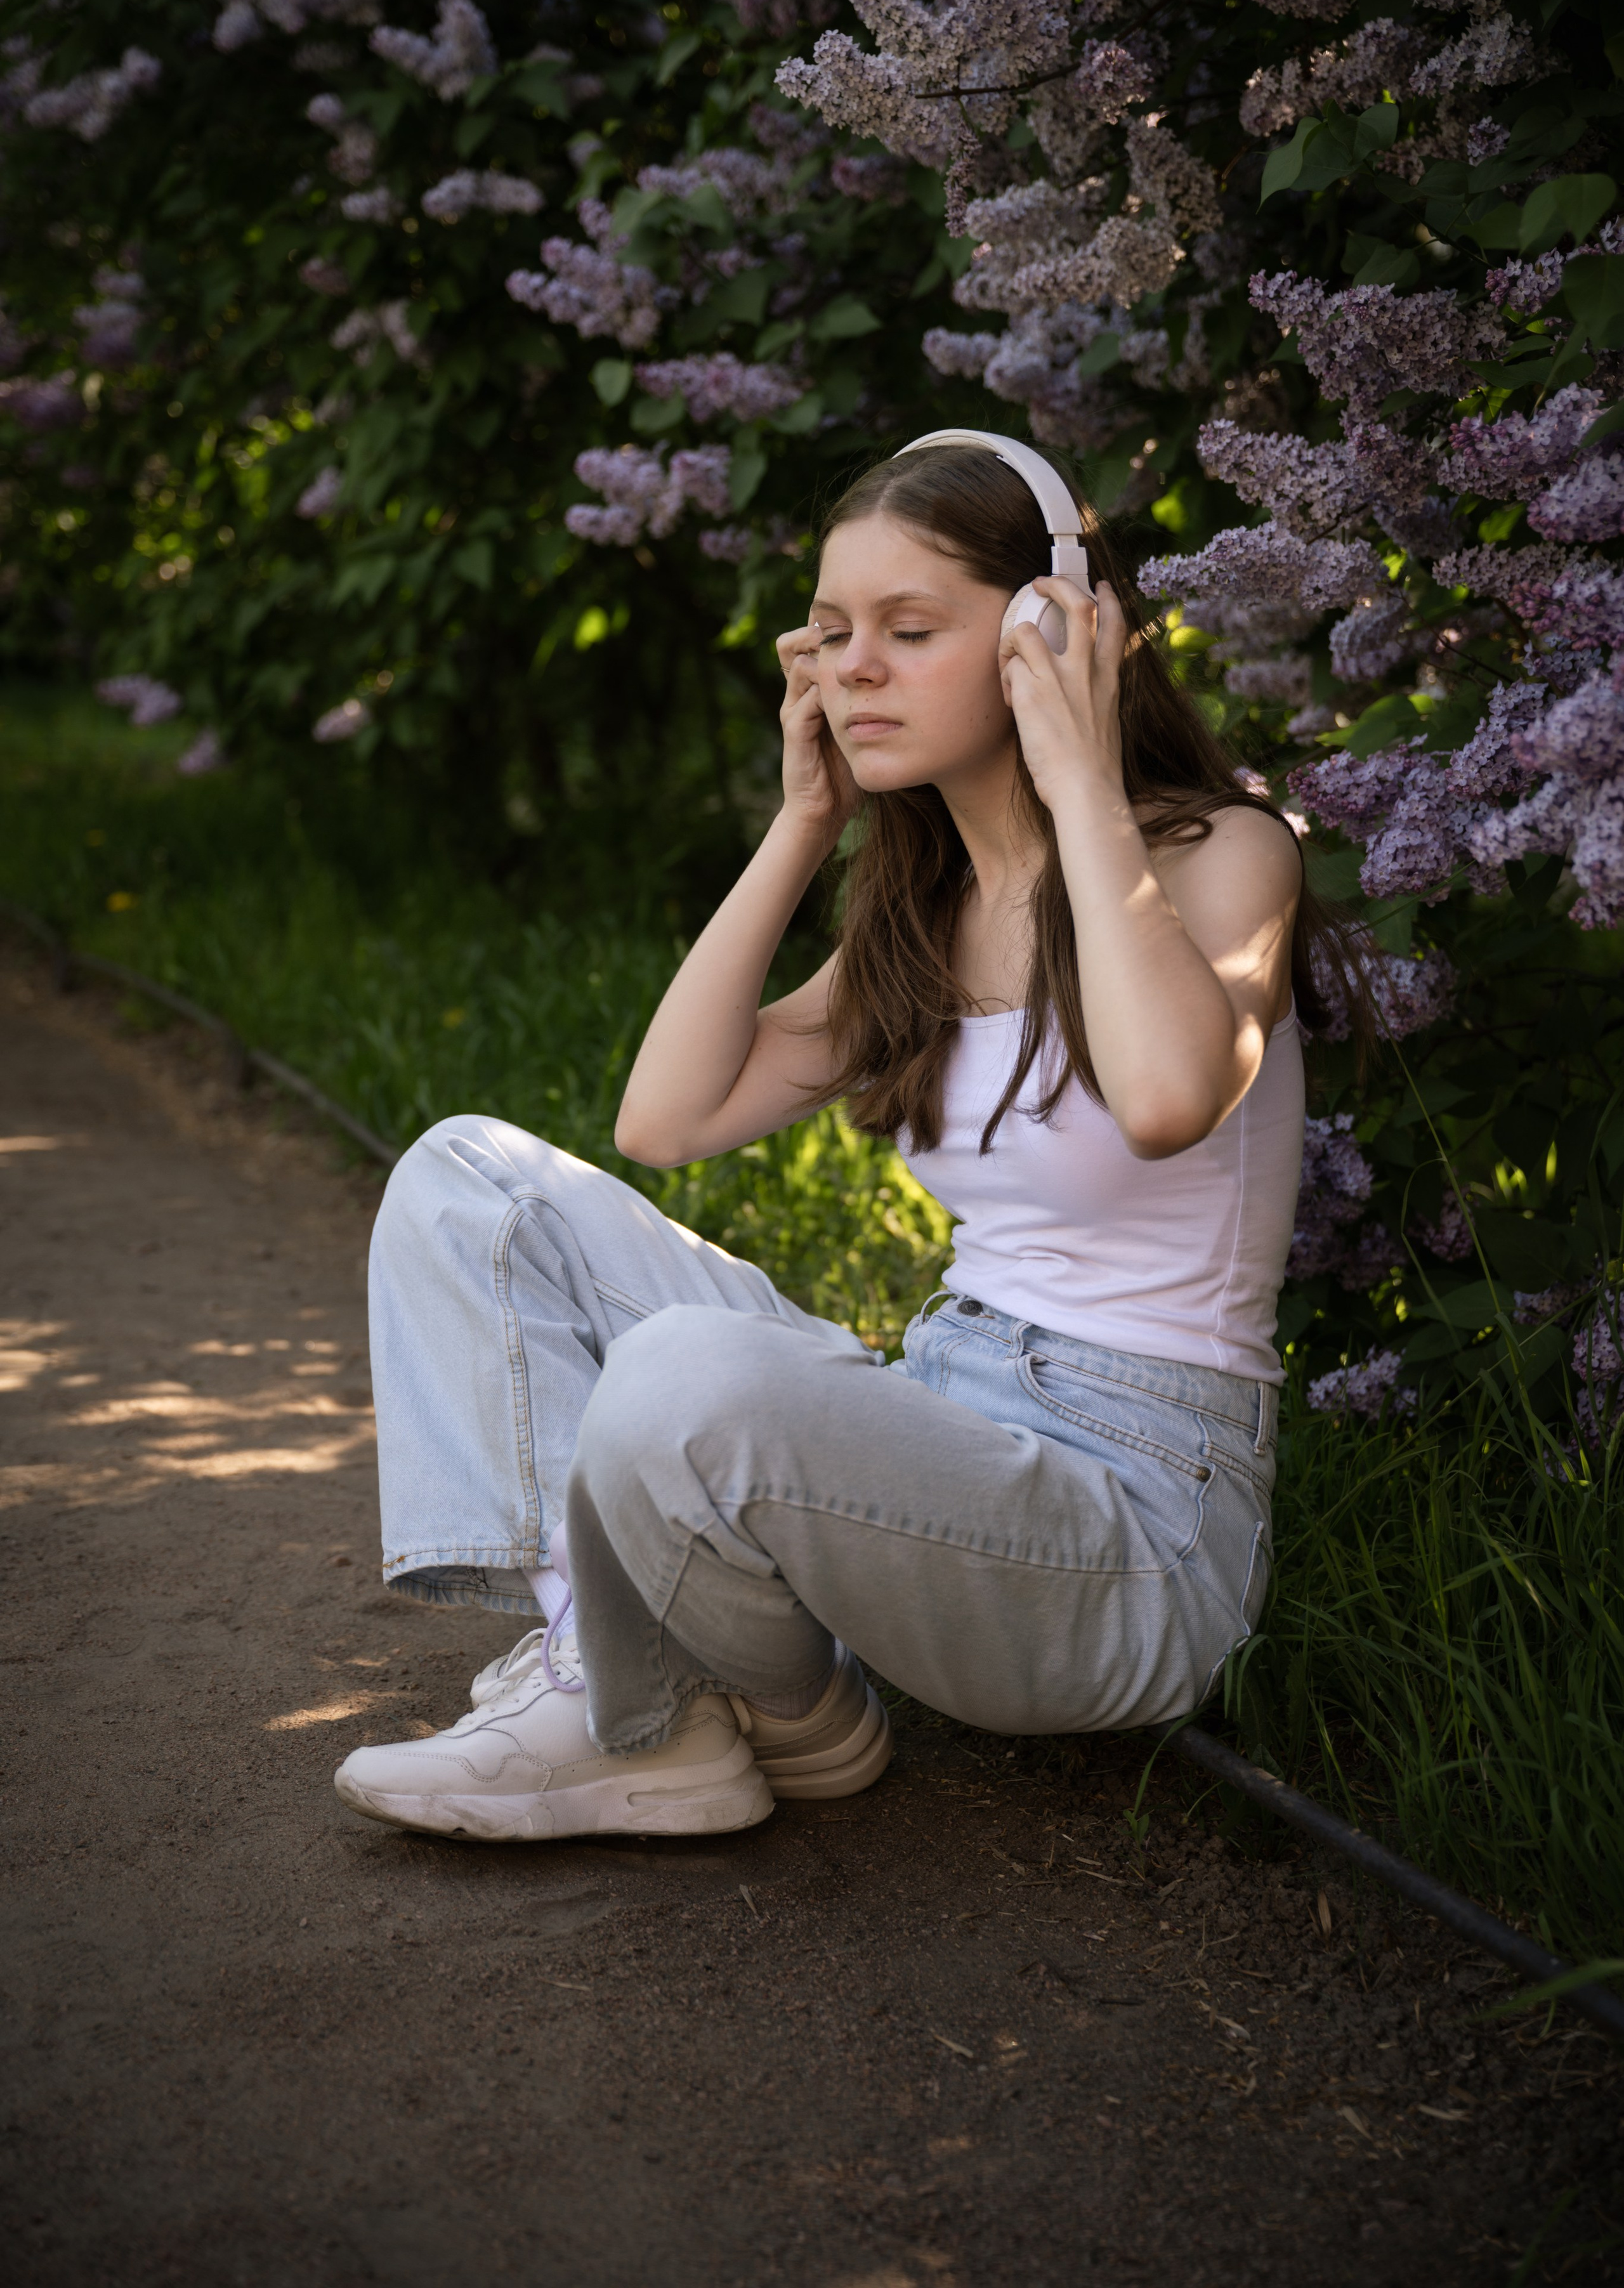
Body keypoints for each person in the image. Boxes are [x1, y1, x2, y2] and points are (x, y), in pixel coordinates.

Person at [334, 434, 1351, 1845]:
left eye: (906, 630)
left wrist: (1077, 781)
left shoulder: (1220, 852)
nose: (848, 668)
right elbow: (665, 1121)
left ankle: (710, 1706)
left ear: (1045, 637)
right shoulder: (922, 915)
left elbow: (1172, 1095)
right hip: (940, 1424)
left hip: (1130, 1536)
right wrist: (804, 822)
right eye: (828, 633)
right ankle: (635, 1696)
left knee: (687, 1373)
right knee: (469, 1183)